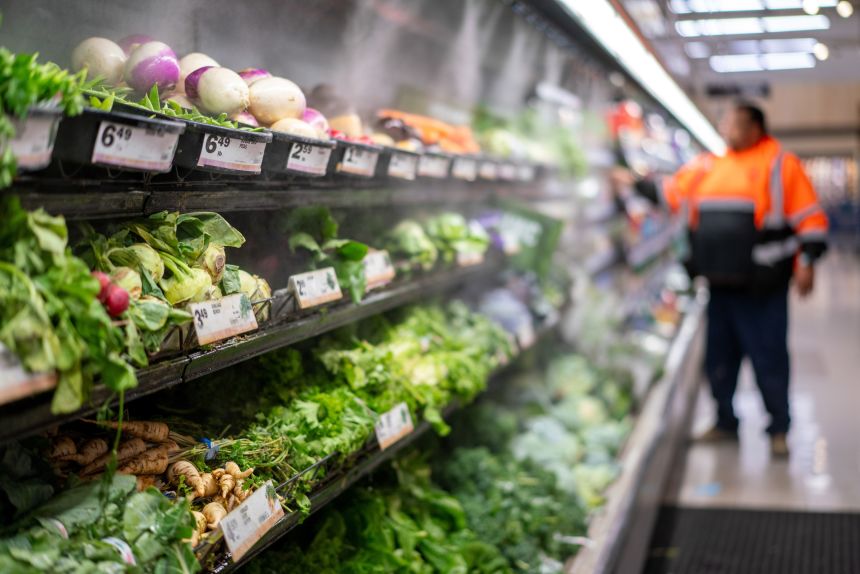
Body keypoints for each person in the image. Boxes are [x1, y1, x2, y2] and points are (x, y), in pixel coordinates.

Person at [612, 102, 828, 457]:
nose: (727, 130)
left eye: (735, 123)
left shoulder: (779, 166)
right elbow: (670, 194)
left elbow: (811, 220)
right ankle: (725, 422)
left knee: (769, 359)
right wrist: (633, 182)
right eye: (726, 123)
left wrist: (807, 261)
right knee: (719, 362)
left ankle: (778, 429)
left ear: (756, 128)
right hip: (719, 286)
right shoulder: (706, 166)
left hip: (763, 288)